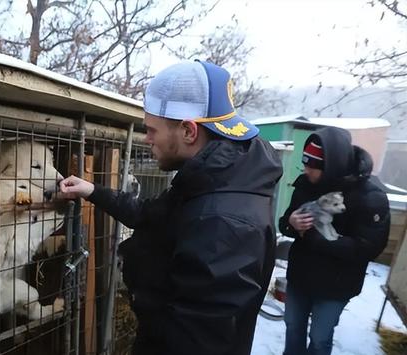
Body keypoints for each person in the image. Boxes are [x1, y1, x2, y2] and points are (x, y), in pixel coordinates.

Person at [58, 60, 283, 355]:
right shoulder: (212, 179)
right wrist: (92, 190)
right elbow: (149, 214)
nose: (146, 139)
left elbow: (199, 343)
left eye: (152, 130)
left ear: (189, 131)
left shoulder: (223, 221)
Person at [279, 127, 390, 355]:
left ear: (331, 166)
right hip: (301, 277)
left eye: (312, 167)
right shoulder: (305, 185)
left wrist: (313, 238)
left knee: (320, 338)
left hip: (336, 285)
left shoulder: (370, 197)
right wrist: (291, 223)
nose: (306, 171)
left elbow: (368, 247)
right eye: (305, 164)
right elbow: (285, 223)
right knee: (293, 327)